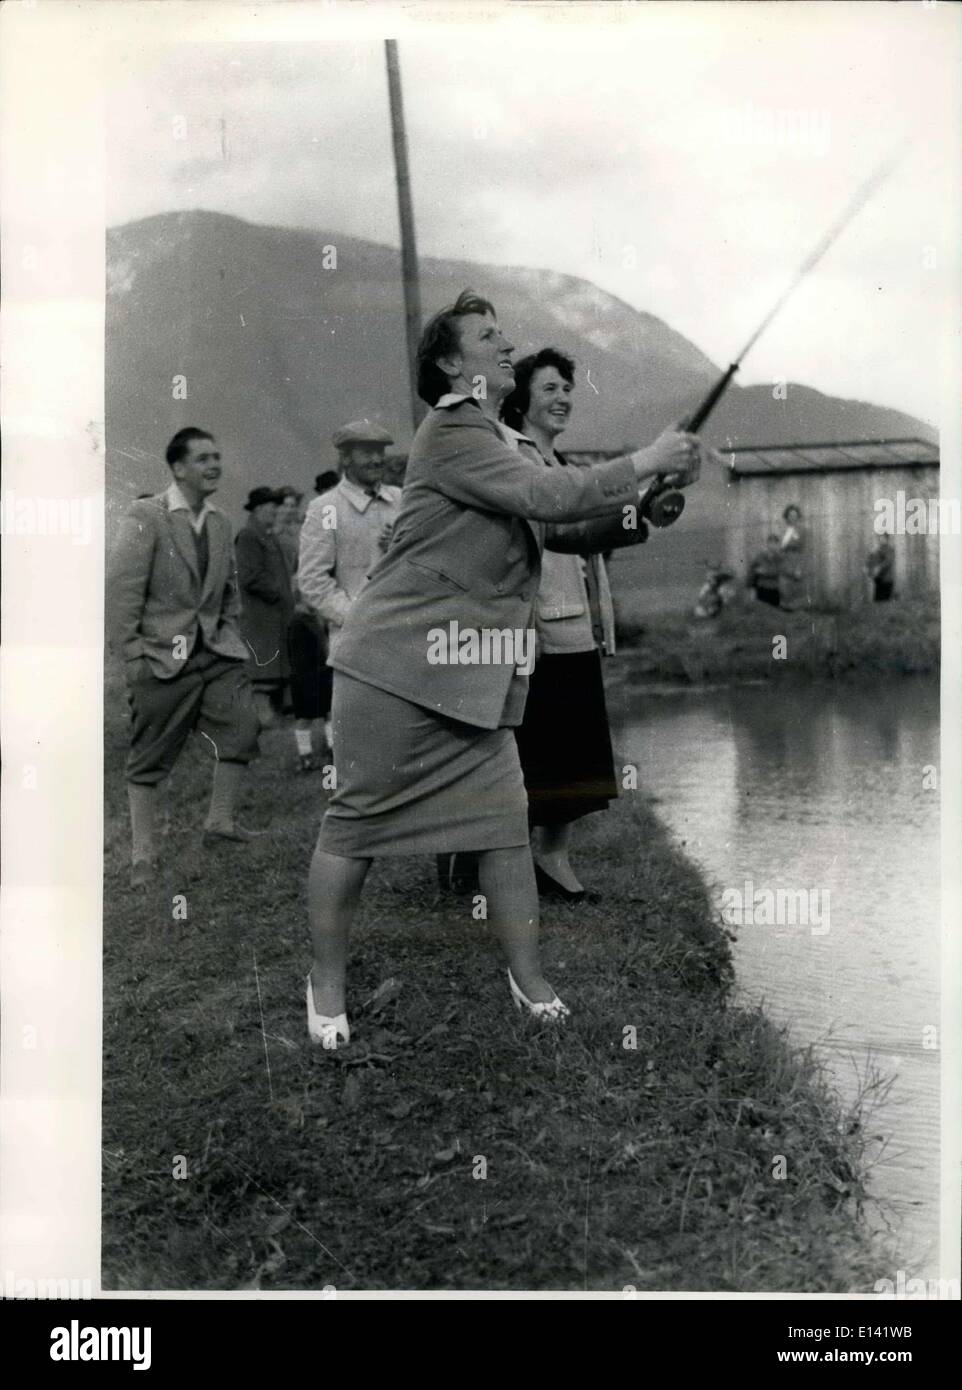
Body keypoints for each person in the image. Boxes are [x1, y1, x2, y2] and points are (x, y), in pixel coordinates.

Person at [302, 289, 704, 1048]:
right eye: (488, 336)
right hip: (392, 668)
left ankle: (529, 980)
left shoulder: (491, 437)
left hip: (472, 679)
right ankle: (325, 984)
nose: (507, 345)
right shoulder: (452, 431)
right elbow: (546, 494)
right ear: (451, 363)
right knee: (354, 826)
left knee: (503, 829)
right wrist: (644, 457)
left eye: (504, 333)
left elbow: (555, 525)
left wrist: (639, 507)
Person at [106, 427, 263, 887]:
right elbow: (121, 592)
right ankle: (142, 855)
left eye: (216, 457)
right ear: (177, 468)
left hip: (214, 653)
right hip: (160, 656)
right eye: (202, 459)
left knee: (242, 726)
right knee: (150, 756)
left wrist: (229, 636)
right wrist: (133, 655)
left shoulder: (219, 521)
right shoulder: (146, 514)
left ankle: (220, 823)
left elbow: (229, 592)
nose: (214, 465)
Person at [501, 347, 622, 902]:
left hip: (573, 629)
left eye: (568, 389)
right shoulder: (514, 460)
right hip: (530, 635)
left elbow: (589, 541)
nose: (562, 398)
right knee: (529, 756)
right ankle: (499, 866)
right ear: (521, 397)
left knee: (572, 755)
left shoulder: (563, 467)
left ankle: (552, 859)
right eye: (549, 388)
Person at [297, 419, 401, 675]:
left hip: (406, 636)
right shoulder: (326, 508)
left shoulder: (401, 499)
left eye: (380, 452)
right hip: (357, 645)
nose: (377, 460)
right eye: (367, 452)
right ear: (345, 459)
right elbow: (312, 582)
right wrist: (358, 616)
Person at [235, 487, 295, 728]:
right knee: (263, 668)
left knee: (275, 666)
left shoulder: (268, 536)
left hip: (276, 616)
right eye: (271, 509)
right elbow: (249, 576)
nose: (275, 513)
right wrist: (278, 593)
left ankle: (272, 713)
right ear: (258, 509)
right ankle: (261, 714)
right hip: (262, 616)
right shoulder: (248, 536)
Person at [779, 504, 808, 610]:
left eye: (795, 515)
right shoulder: (783, 530)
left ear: (798, 517)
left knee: (795, 584)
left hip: (795, 558)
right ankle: (785, 609)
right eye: (790, 515)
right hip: (784, 559)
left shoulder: (802, 530)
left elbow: (803, 549)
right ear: (787, 517)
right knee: (784, 585)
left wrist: (799, 567)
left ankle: (796, 611)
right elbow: (780, 546)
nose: (793, 518)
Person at [747, 533, 783, 607]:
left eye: (775, 543)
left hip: (774, 589)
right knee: (761, 612)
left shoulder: (780, 558)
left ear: (778, 545)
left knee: (774, 612)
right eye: (771, 543)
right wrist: (751, 587)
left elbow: (778, 571)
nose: (773, 546)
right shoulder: (760, 556)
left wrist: (764, 572)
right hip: (761, 588)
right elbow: (752, 571)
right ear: (767, 544)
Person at [866, 531, 895, 602]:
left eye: (883, 538)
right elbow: (872, 561)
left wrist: (879, 567)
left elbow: (888, 561)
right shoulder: (877, 550)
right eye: (880, 538)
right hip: (878, 580)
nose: (881, 540)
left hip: (887, 579)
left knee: (885, 602)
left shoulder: (890, 549)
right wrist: (868, 567)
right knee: (878, 602)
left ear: (887, 539)